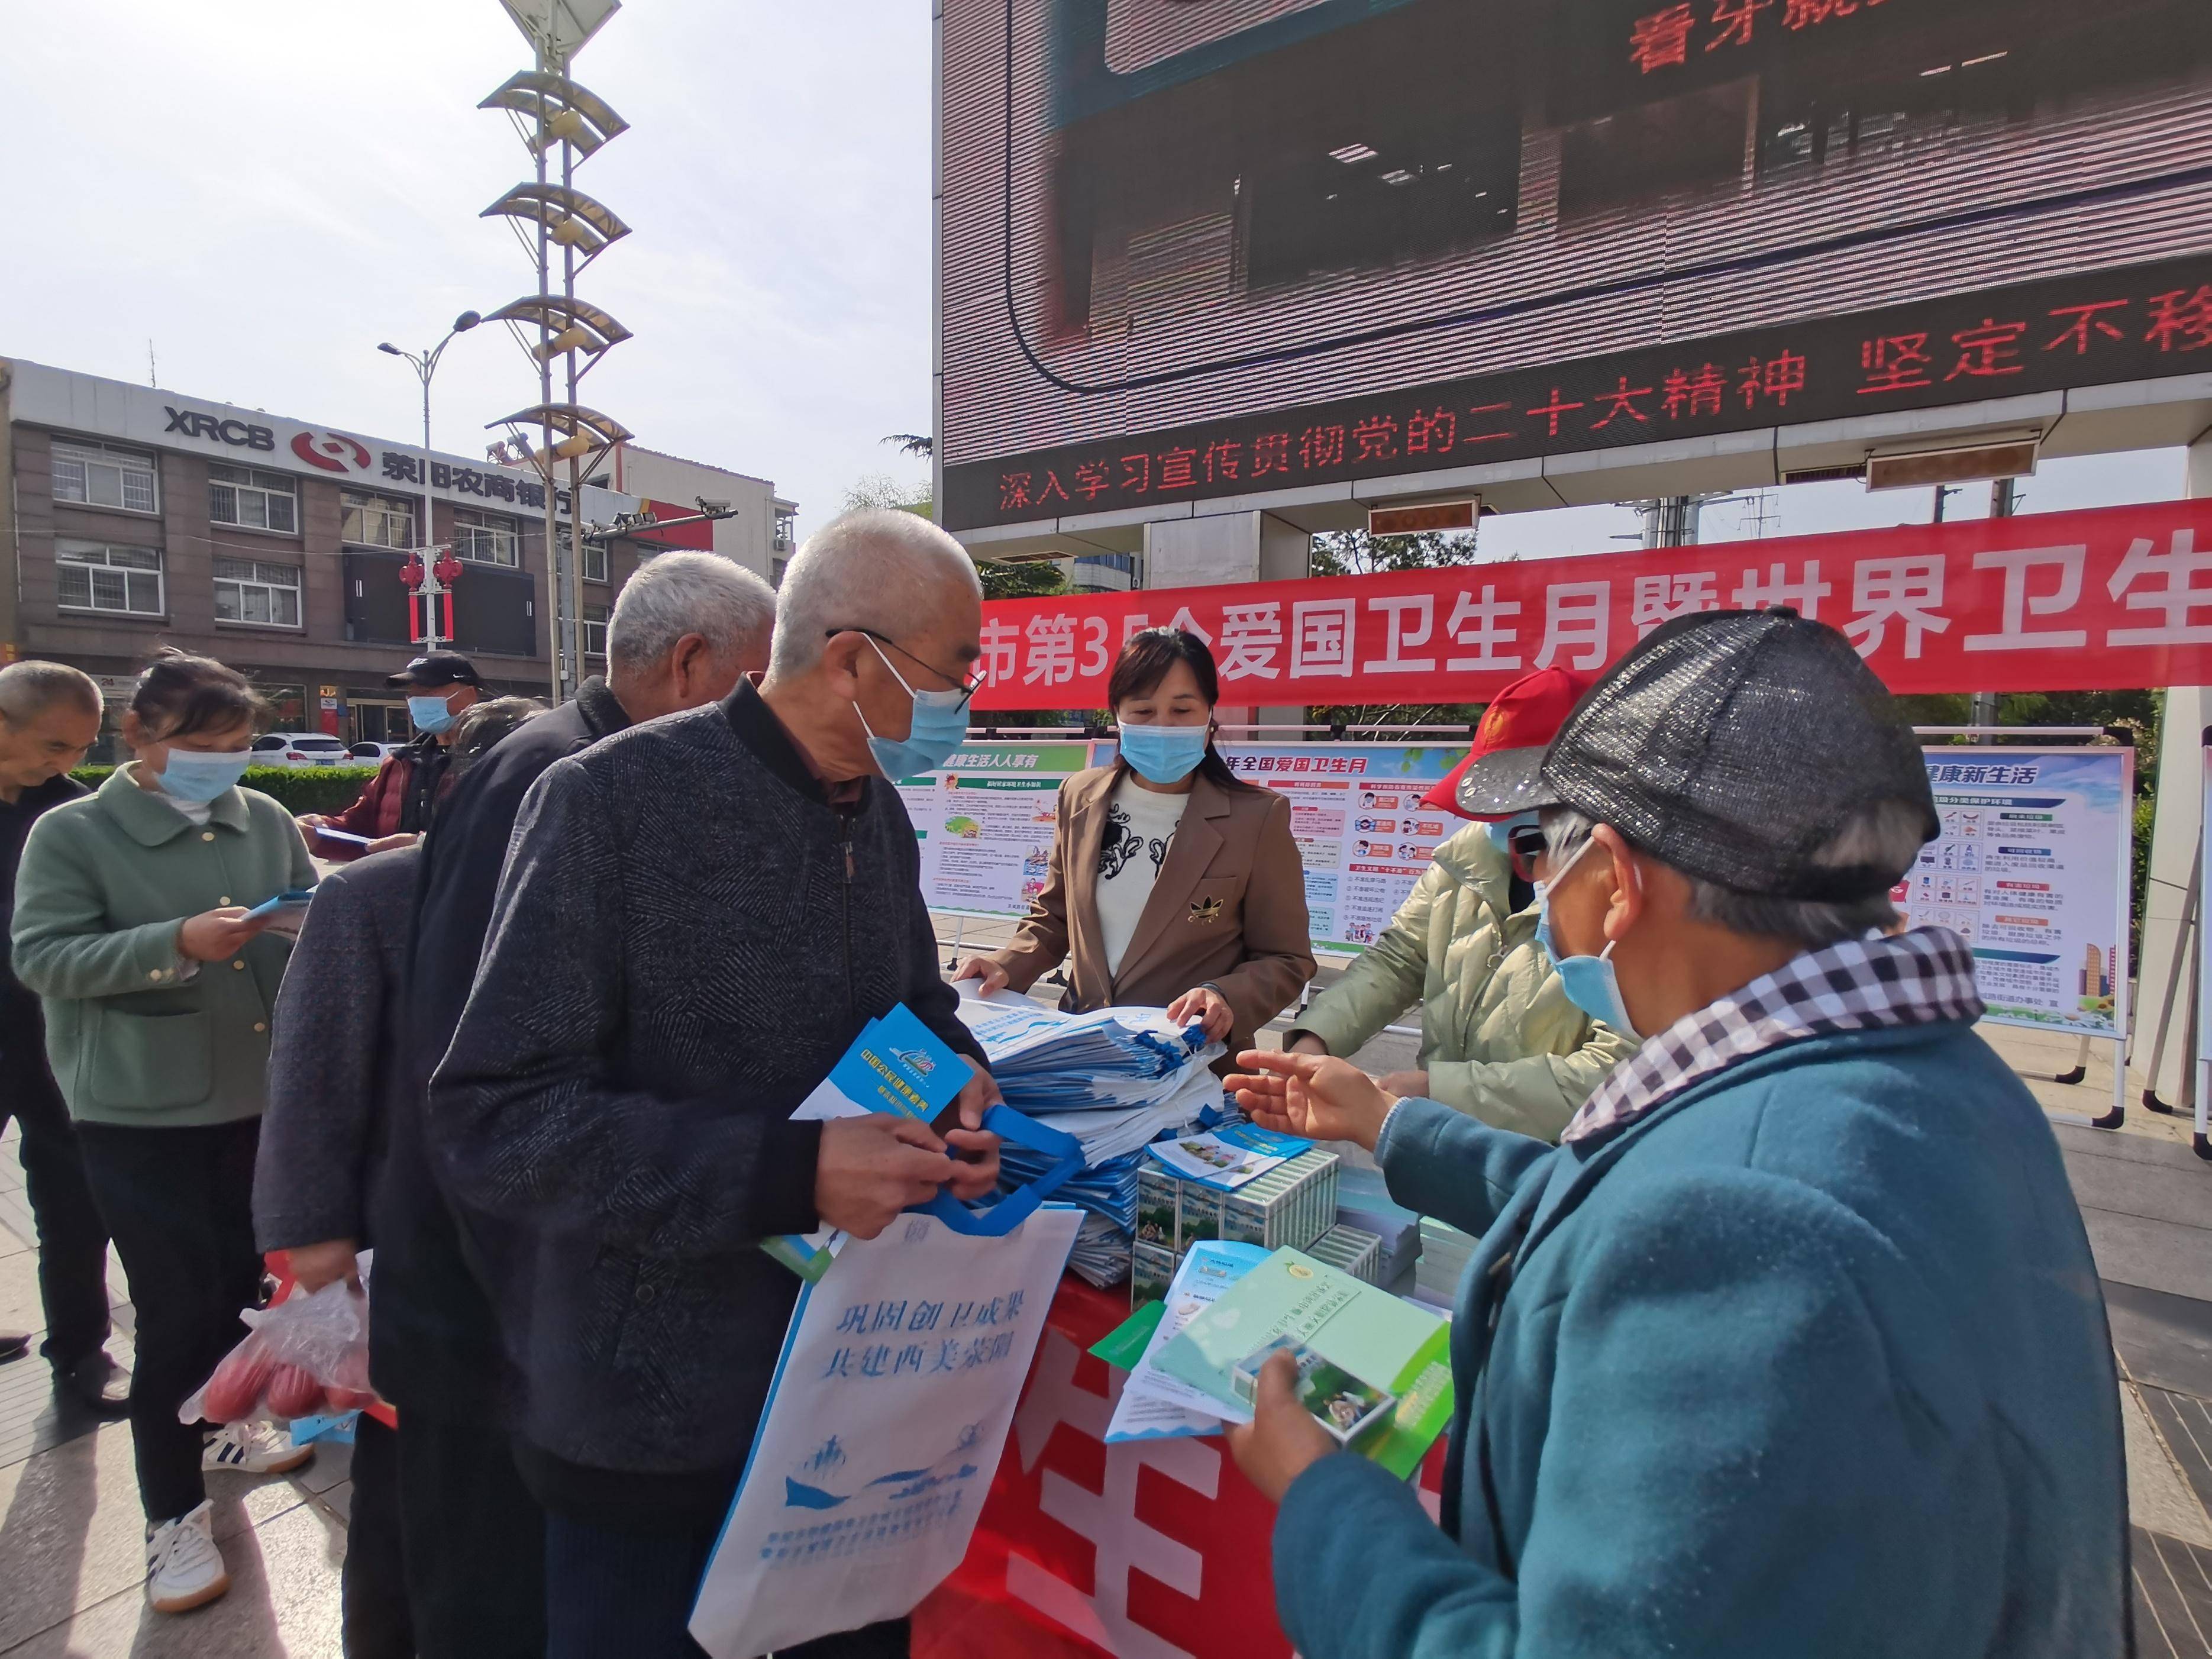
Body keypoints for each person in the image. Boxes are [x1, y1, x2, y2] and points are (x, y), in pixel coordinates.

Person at [1223, 609, 2125, 1657]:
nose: (1538, 895)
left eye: (1544, 858)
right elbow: (1631, 1190)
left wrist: (1324, 1498)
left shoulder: (1736, 1232)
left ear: (1614, 875)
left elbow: (1686, 1206)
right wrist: (1392, 1122)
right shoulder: (1954, 1085)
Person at [432, 510, 1004, 1659]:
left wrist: (960, 1081)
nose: (967, 704)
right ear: (852, 660)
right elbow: (496, 1116)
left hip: (843, 1403)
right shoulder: (610, 802)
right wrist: (786, 1173)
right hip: (651, 1433)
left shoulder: (875, 809)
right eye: (959, 672)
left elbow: (914, 1004)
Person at [384, 552, 776, 1659]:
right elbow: (488, 1076)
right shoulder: (562, 778)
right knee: (489, 1598)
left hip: (532, 1282)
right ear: (693, 663)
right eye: (760, 678)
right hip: (493, 1296)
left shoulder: (596, 761)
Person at [12, 650, 322, 1616]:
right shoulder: (74, 832)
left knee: (241, 1290)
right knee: (176, 1311)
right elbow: (44, 956)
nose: (219, 765)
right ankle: (171, 1517)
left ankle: (230, 1426)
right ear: (137, 737)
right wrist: (171, 943)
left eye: (236, 748)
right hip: (140, 1110)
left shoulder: (263, 817)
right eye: (196, 747)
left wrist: (311, 920)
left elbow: (309, 905)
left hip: (253, 1098)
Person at [253, 695, 540, 1659]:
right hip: (400, 1252)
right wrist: (318, 1240)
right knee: (404, 1501)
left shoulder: (578, 888)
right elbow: (311, 1080)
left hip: (533, 1260)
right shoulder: (375, 896)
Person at [1284, 666, 1634, 1139]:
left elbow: (1619, 1068)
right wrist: (1316, 1038)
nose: (1500, 823)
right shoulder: (1467, 858)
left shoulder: (1628, 895)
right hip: (1440, 1139)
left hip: (1555, 1158)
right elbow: (1400, 958)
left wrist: (1439, 1090)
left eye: (1520, 804)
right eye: (1492, 803)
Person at [955, 627, 1315, 1057]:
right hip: (1079, 1048)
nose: (1163, 727)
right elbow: (1053, 918)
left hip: (1192, 1063)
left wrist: (1225, 996)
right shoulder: (1080, 796)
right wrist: (1006, 965)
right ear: (1118, 716)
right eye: (1143, 711)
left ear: (1209, 716)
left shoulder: (1256, 817)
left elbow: (1285, 957)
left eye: (1182, 710)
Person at [0, 661, 130, 1413]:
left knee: (70, 1202)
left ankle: (79, 1351)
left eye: (81, 748)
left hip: (46, 1033)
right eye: (53, 745)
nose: (66, 764)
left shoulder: (71, 814)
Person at [298, 651, 482, 860]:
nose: (417, 700)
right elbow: (362, 829)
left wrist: (423, 846)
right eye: (412, 693)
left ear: (470, 694)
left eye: (428, 691)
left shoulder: (495, 759)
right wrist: (320, 833)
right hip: (398, 888)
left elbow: (503, 836)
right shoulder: (400, 763)